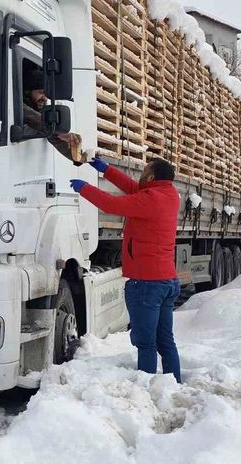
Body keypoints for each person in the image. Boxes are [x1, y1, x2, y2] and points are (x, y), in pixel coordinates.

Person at [70, 157, 182, 383]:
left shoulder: (150, 200)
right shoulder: (168, 195)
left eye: (144, 171)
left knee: (146, 342)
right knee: (165, 341)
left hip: (147, 283)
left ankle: (147, 390)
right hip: (166, 280)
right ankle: (173, 385)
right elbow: (134, 188)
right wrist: (104, 169)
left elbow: (112, 205)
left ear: (151, 177)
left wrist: (84, 188)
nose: (140, 174)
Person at [20, 67, 84, 163]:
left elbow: (51, 134)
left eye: (47, 94)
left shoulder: (41, 112)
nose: (45, 98)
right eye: (41, 92)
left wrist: (78, 154)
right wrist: (57, 130)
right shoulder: (17, 105)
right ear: (28, 92)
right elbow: (33, 117)